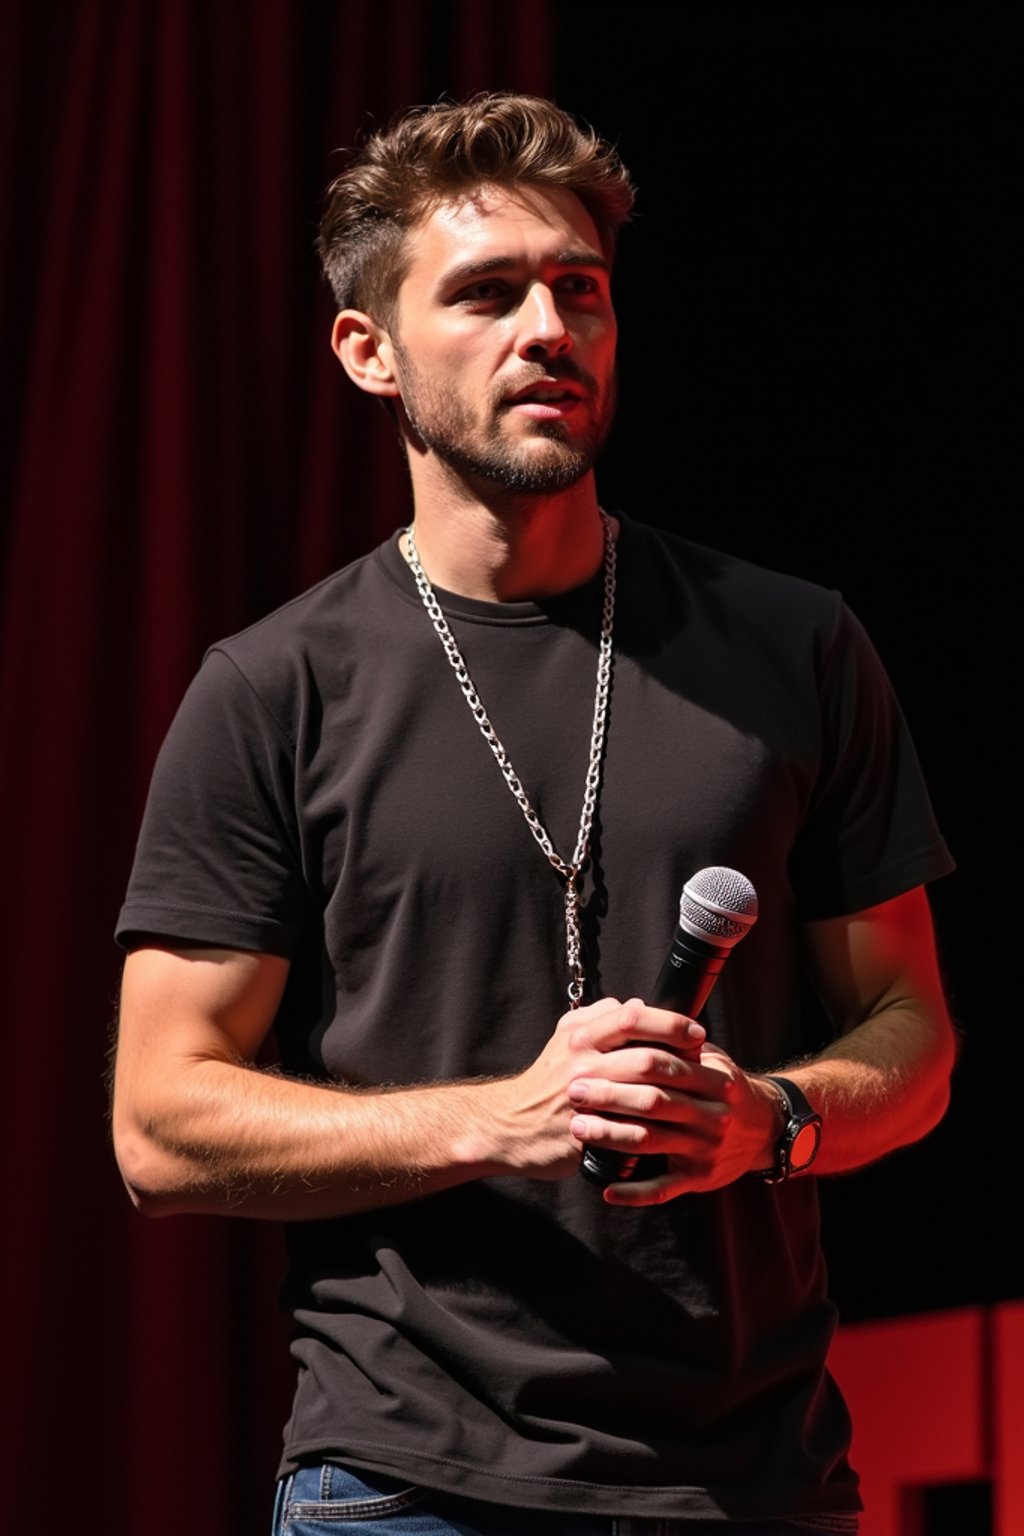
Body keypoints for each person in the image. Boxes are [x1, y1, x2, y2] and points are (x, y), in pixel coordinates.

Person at [111, 92, 957, 1536]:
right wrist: (498, 1121)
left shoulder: (793, 647)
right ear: (368, 351)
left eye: (581, 291)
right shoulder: (274, 689)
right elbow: (160, 1122)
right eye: (489, 294)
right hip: (408, 1481)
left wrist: (773, 1122)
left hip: (752, 1481)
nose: (549, 331)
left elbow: (915, 1034)